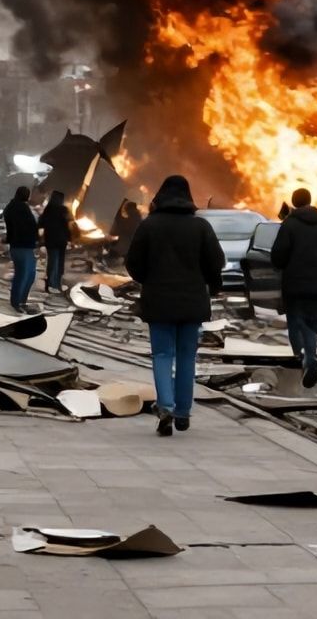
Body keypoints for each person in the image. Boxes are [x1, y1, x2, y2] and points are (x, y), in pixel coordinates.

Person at [125, 175, 223, 437]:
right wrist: (211, 285)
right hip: (192, 302)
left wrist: (150, 279)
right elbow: (216, 262)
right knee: (187, 357)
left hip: (159, 302)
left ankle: (165, 407)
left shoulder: (149, 226)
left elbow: (133, 263)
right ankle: (183, 412)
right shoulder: (201, 227)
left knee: (162, 355)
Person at [270, 188, 317, 388]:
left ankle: (303, 358)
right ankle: (311, 358)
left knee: (296, 323)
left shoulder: (288, 225)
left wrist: (283, 265)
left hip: (294, 284)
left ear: (294, 202)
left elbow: (278, 256)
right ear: (309, 201)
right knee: (311, 324)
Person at [1, 186, 39, 313]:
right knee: (25, 275)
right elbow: (29, 226)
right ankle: (18, 302)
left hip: (18, 246)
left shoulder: (12, 206)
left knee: (27, 274)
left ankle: (20, 300)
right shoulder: (21, 208)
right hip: (23, 245)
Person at [39, 190, 74, 294]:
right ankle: (57, 284)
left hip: (50, 240)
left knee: (52, 262)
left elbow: (41, 224)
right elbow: (68, 226)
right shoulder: (64, 210)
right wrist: (70, 239)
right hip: (61, 241)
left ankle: (51, 284)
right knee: (59, 263)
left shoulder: (48, 210)